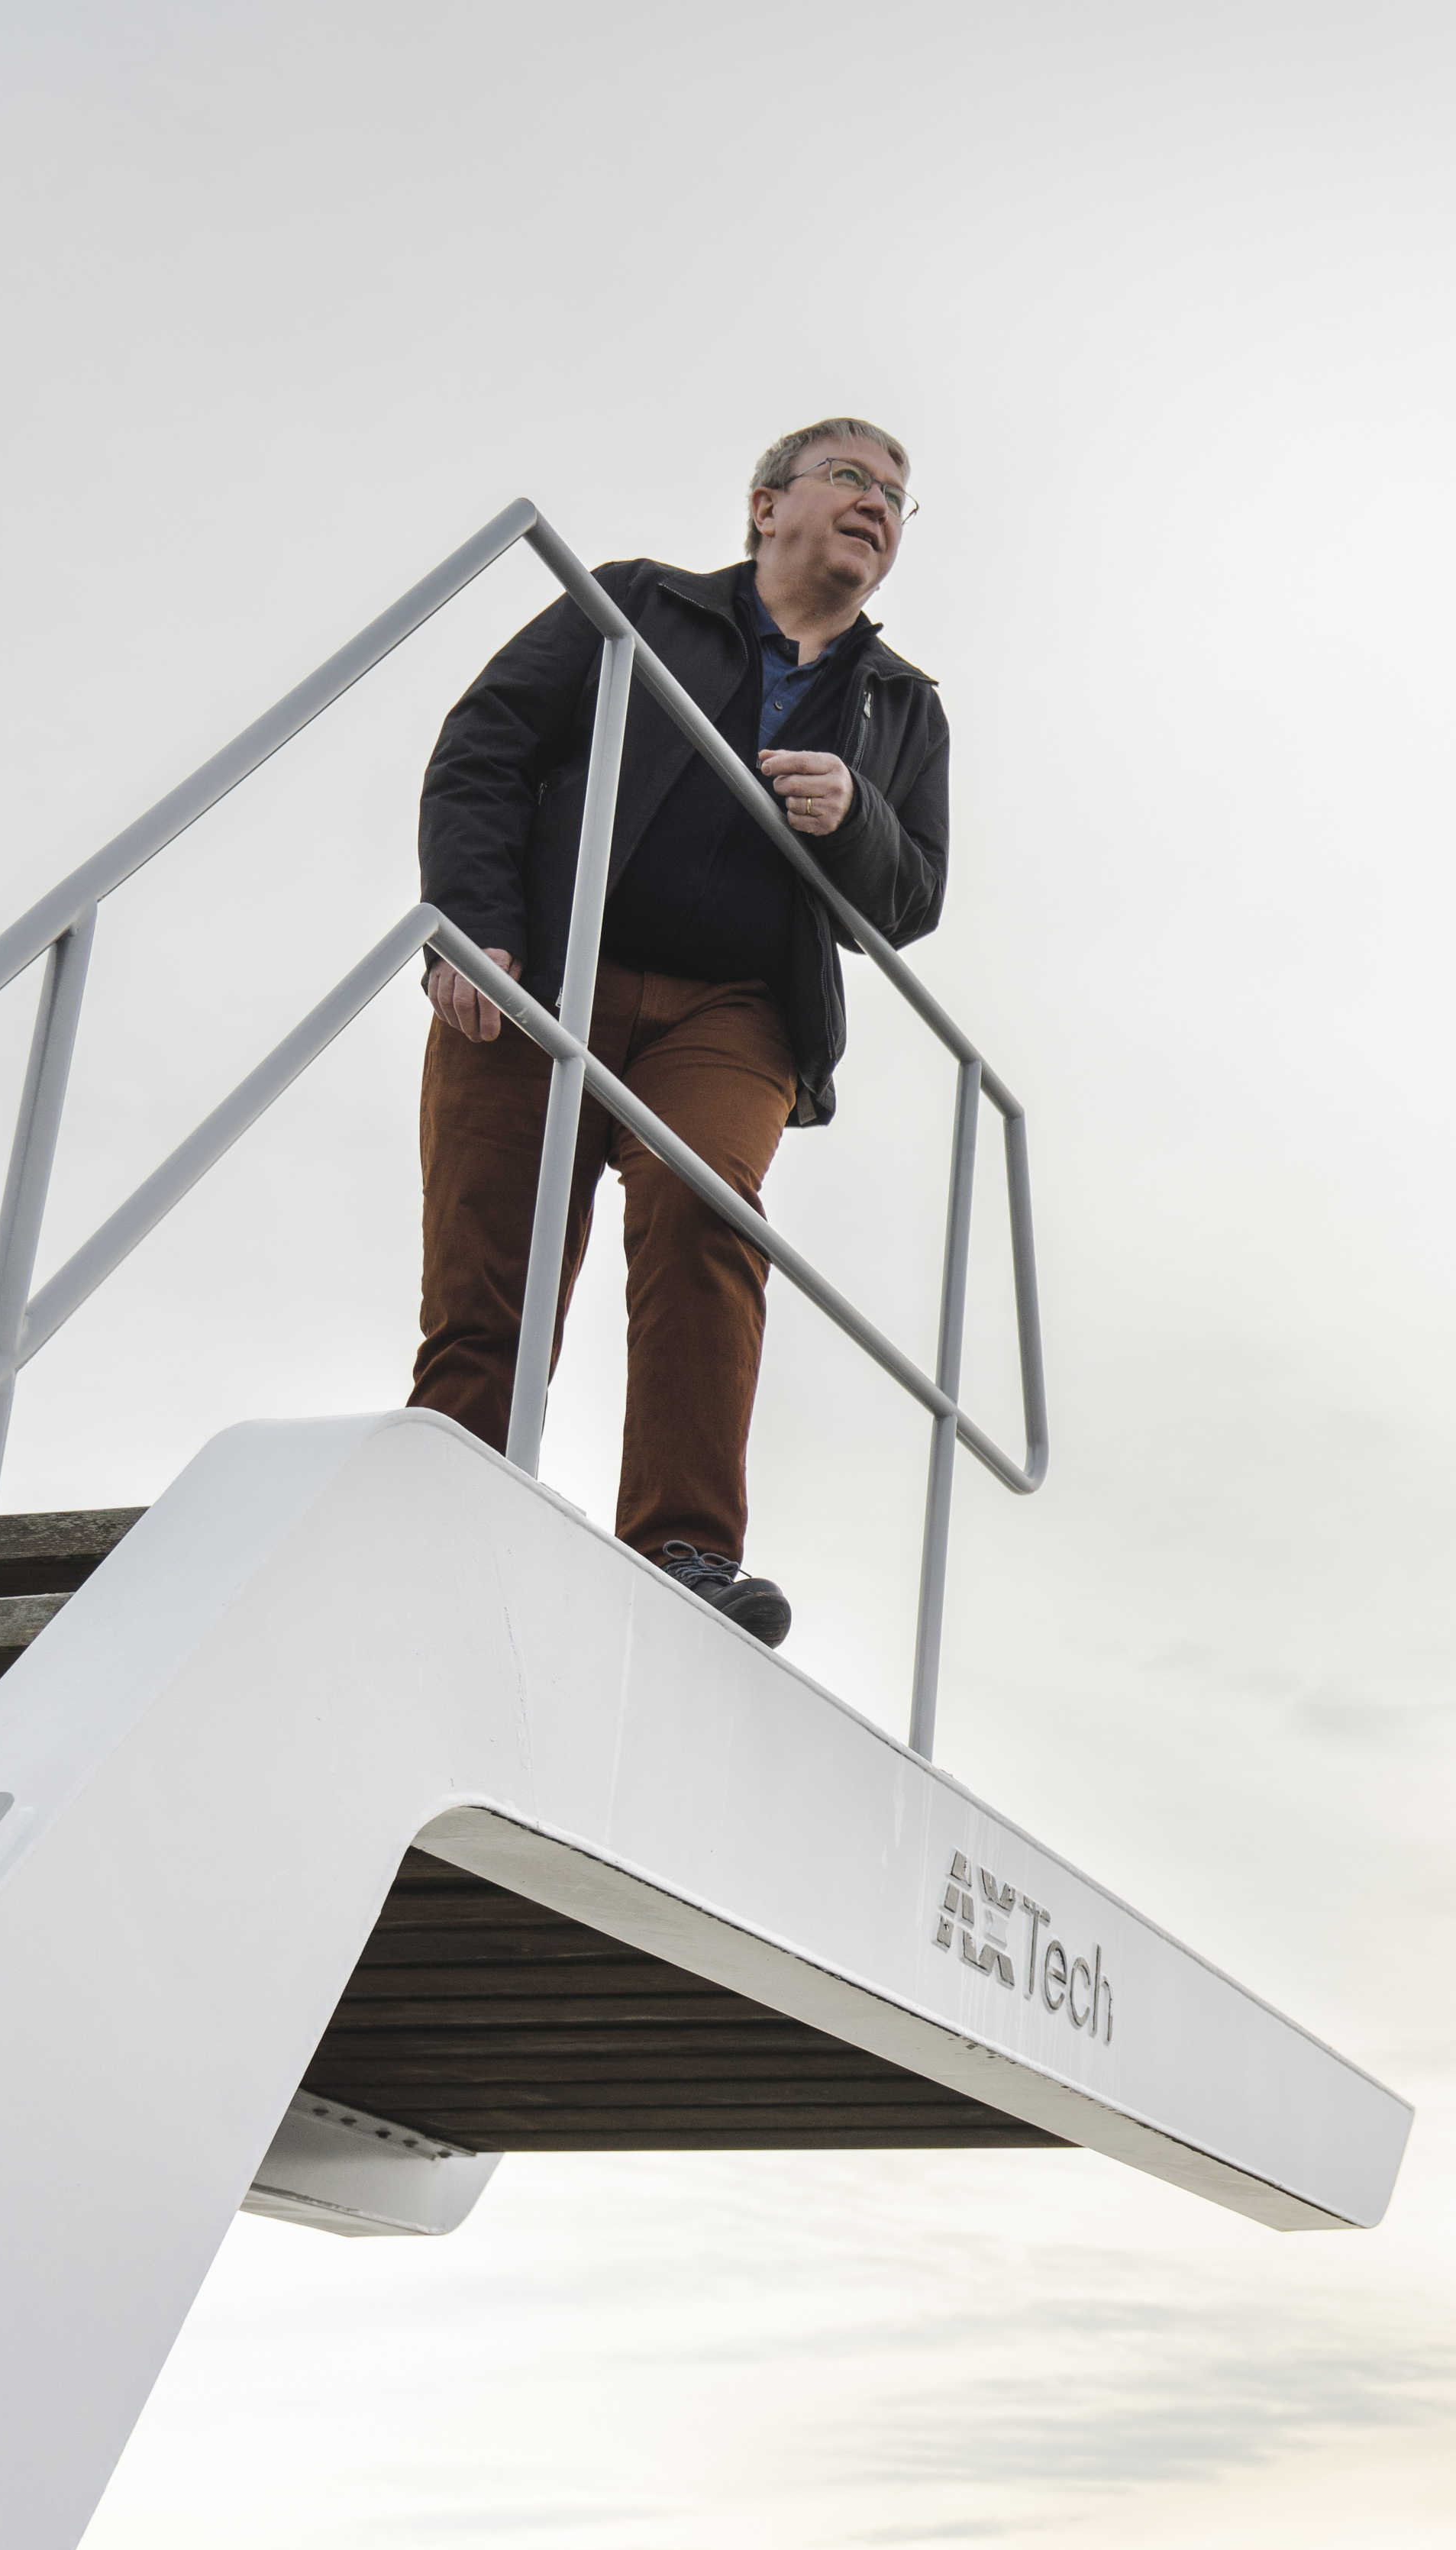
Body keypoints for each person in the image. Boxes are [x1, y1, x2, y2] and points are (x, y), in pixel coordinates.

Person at [408, 418, 954, 1645]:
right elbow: (485, 748)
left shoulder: (902, 709)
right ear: (767, 506)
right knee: (493, 1255)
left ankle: (683, 1551)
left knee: (710, 1215)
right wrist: (473, 926)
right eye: (852, 478)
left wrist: (856, 814)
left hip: (735, 1014)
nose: (879, 504)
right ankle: (440, 1501)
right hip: (546, 974)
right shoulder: (638, 605)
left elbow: (910, 900)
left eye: (899, 498)